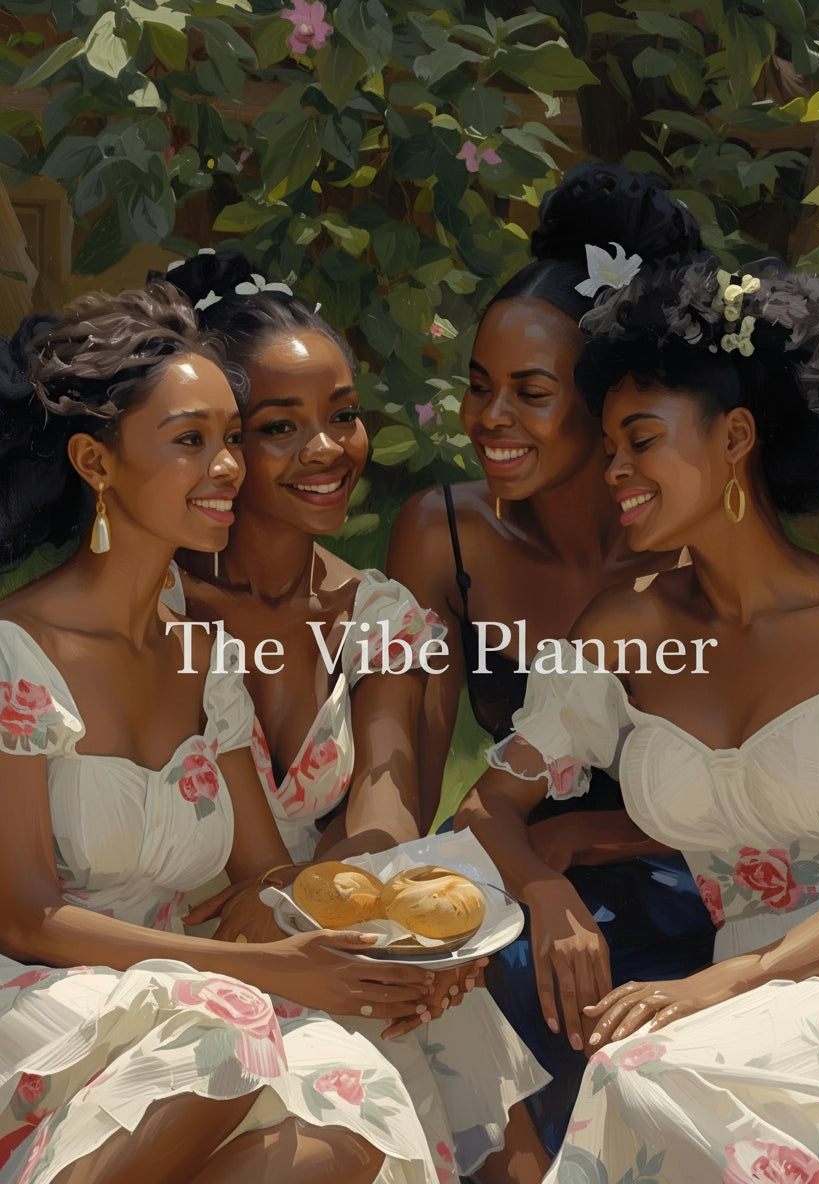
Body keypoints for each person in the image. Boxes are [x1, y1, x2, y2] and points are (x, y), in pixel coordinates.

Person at [0, 284, 505, 1184]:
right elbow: (28, 916)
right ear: (94, 461)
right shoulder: (16, 652)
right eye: (192, 440)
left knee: (354, 1115)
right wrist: (269, 968)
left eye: (230, 438)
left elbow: (265, 871)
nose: (228, 466)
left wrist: (392, 945)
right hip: (52, 993)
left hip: (199, 991)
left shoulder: (201, 657)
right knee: (230, 1039)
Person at [458, 251, 819, 1180]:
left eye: (641, 440)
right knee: (645, 1077)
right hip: (724, 995)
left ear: (735, 438)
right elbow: (489, 807)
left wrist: (733, 981)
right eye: (608, 448)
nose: (615, 471)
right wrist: (545, 891)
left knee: (645, 1081)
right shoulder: (627, 628)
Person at [158, 251, 551, 1184]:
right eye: (279, 428)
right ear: (219, 444)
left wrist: (406, 930)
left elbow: (384, 799)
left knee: (455, 1026)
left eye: (341, 415)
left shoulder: (379, 615)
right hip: (181, 943)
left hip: (320, 921)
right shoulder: (158, 609)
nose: (329, 449)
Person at [387, 162, 716, 1149]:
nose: (489, 419)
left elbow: (762, 792)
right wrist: (404, 893)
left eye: (530, 392)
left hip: (686, 863)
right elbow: (408, 760)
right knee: (426, 974)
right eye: (479, 386)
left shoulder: (695, 541)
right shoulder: (447, 533)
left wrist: (582, 845)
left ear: (610, 397)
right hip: (508, 853)